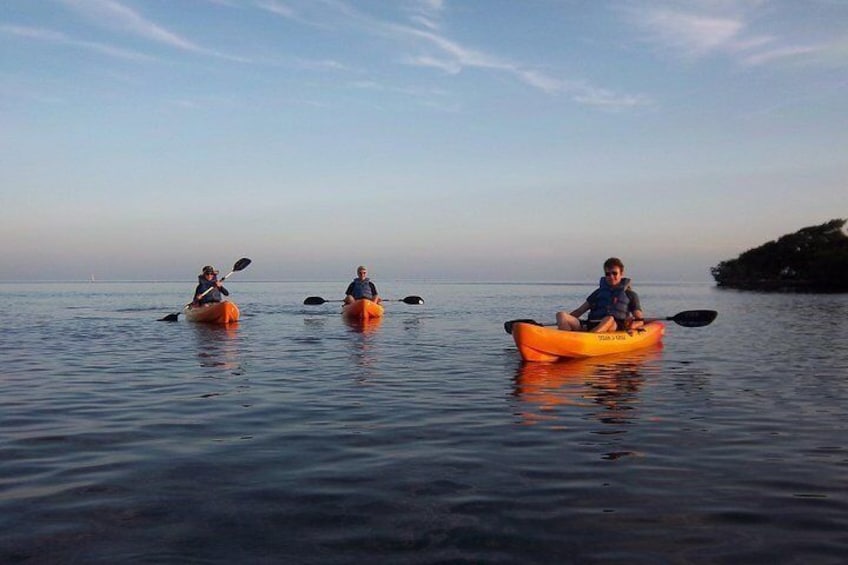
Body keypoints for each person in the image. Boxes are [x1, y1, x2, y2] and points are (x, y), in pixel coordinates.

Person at [556, 257, 644, 333]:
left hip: (613, 326)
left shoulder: (630, 295)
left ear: (621, 273)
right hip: (591, 324)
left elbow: (640, 320)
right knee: (561, 315)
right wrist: (563, 322)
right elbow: (579, 311)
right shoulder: (598, 293)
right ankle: (566, 340)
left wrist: (632, 326)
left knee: (609, 318)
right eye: (608, 274)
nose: (611, 276)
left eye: (614, 273)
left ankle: (589, 340)